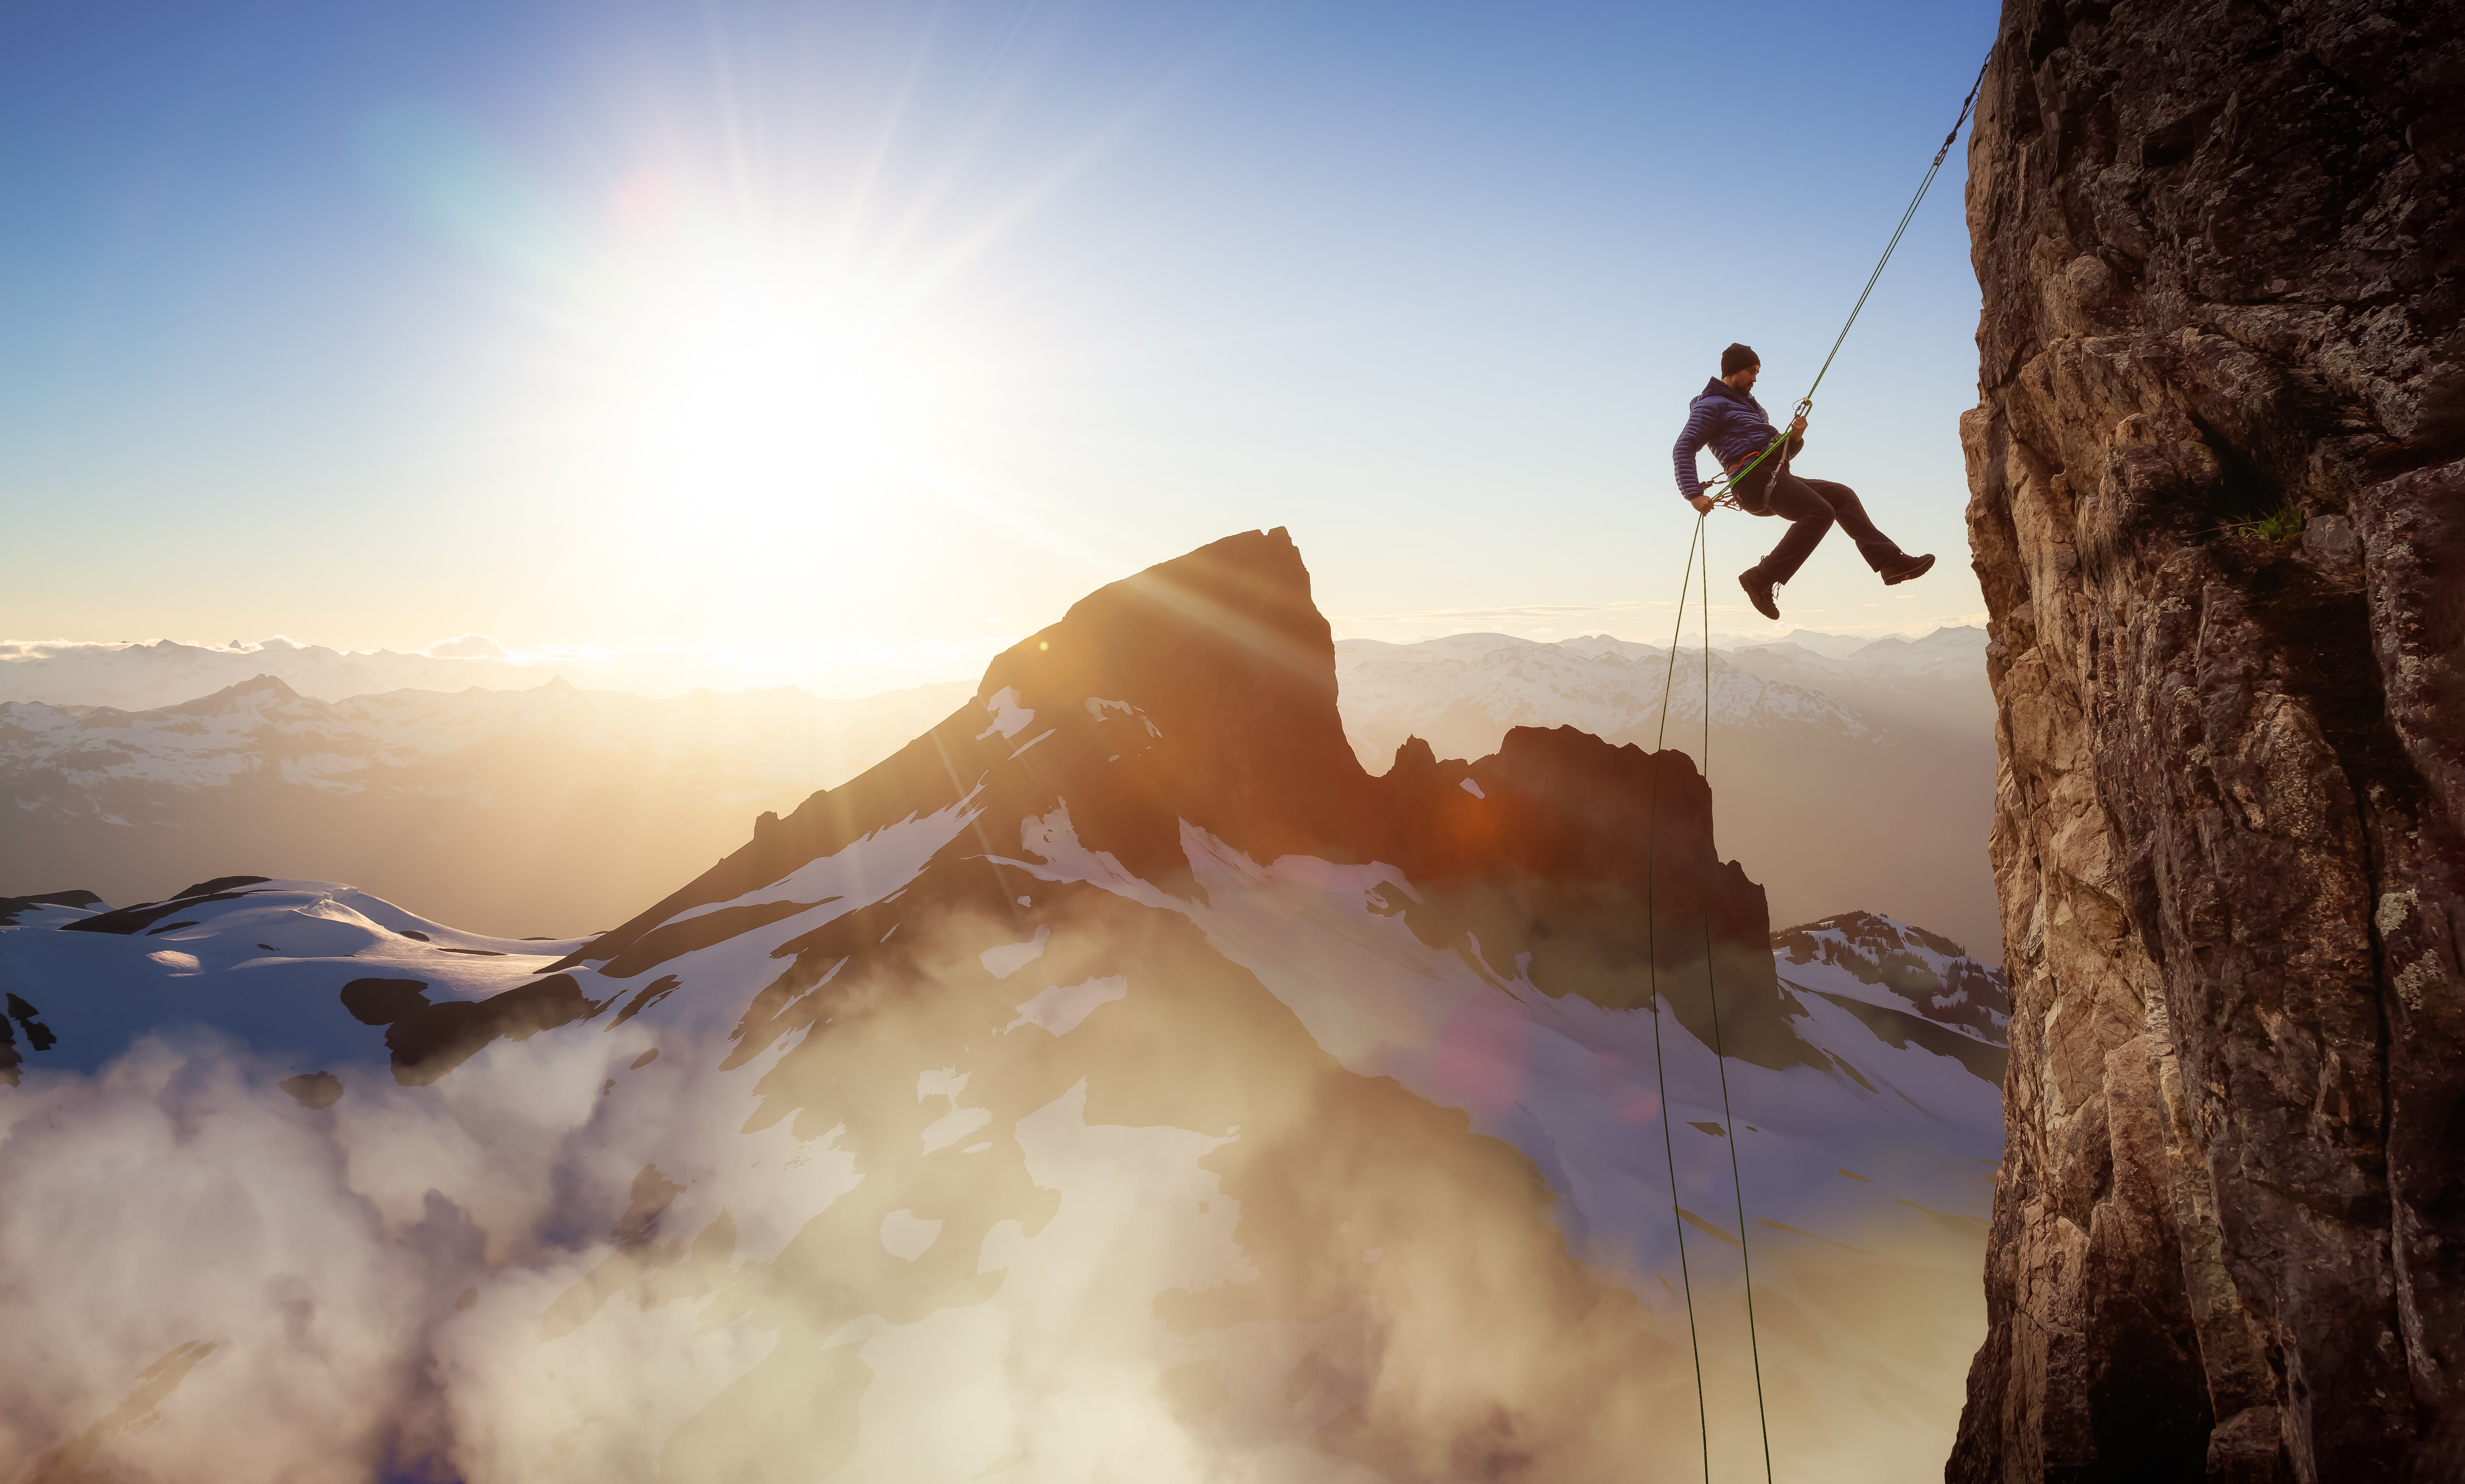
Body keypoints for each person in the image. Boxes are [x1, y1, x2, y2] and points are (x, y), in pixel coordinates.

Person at [1671, 343, 1933, 620]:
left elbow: (1777, 455)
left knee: (1841, 496)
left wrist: (1794, 438)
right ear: (1734, 370)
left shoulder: (1753, 408)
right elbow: (1683, 447)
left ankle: (1890, 562)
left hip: (1773, 474)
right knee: (1821, 512)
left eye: (1757, 372)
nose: (1755, 379)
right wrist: (1693, 494)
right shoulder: (1711, 405)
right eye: (1751, 371)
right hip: (1752, 481)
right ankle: (1760, 578)